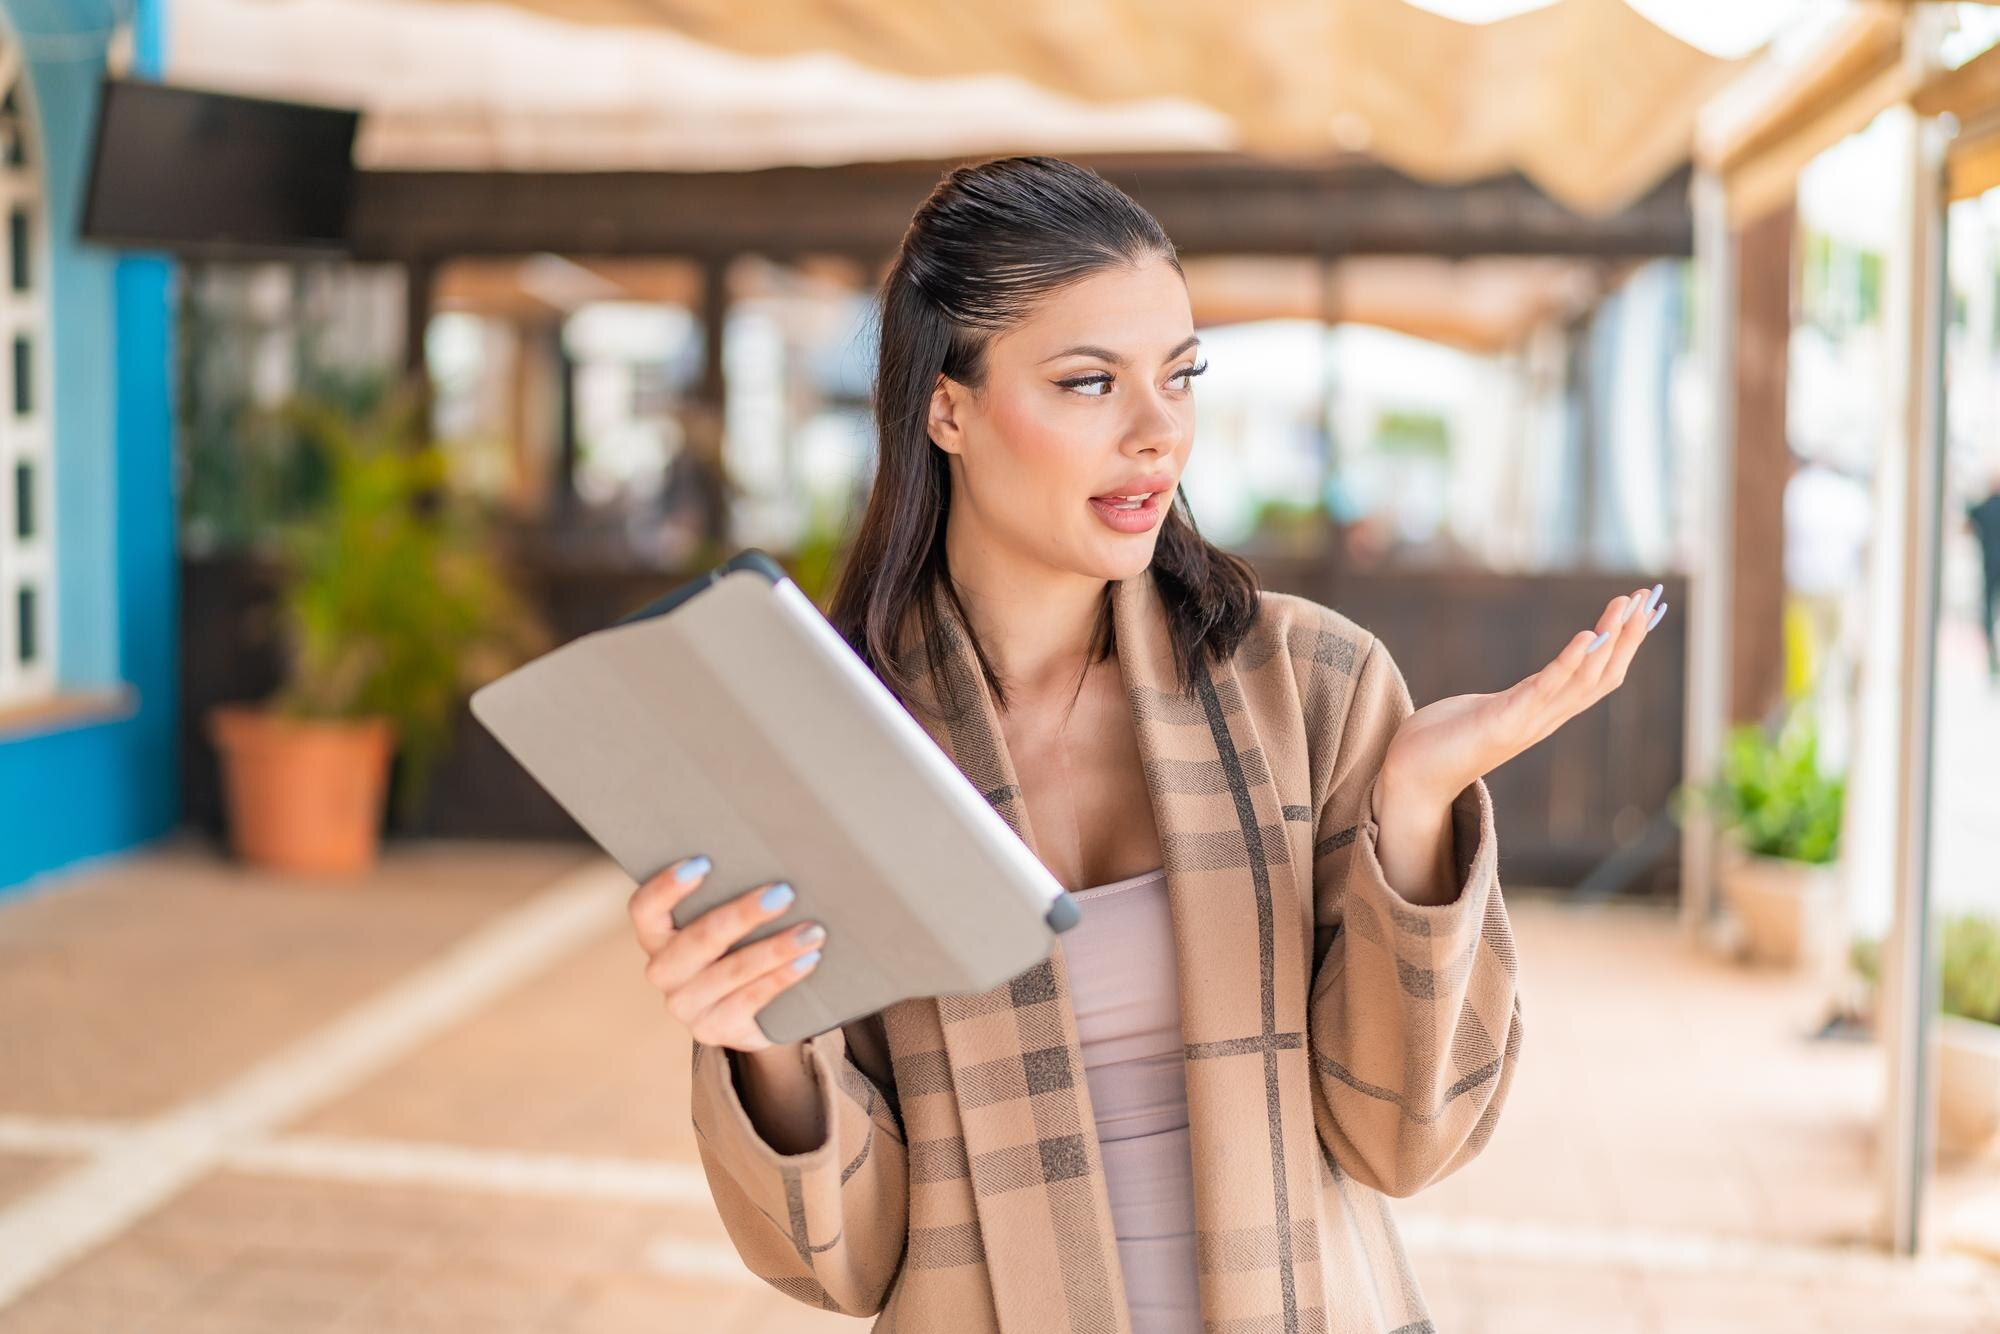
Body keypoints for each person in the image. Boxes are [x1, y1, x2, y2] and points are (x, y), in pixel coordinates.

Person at [626, 156, 1669, 1332]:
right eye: (1086, 382)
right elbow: (849, 1264)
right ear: (945, 407)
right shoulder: (828, 745)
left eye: (1179, 375)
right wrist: (754, 1041)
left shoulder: (1313, 686)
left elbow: (1402, 1137)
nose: (1155, 432)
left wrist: (1417, 809)